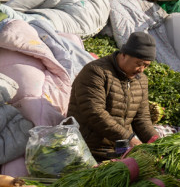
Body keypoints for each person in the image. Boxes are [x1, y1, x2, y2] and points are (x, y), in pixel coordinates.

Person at [67, 31, 158, 162]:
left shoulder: (141, 80)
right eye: (139, 63)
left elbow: (142, 118)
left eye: (146, 65)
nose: (141, 69)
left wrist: (158, 143)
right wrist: (129, 138)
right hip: (89, 150)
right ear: (124, 54)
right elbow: (95, 112)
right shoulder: (96, 72)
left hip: (119, 151)